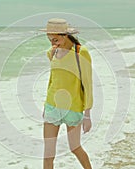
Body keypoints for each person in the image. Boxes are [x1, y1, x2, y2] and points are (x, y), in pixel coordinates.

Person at [40, 18, 93, 169]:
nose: (52, 42)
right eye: (49, 39)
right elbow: (52, 79)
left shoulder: (80, 52)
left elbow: (88, 84)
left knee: (75, 148)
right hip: (52, 107)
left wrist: (87, 114)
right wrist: (46, 105)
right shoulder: (52, 52)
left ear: (65, 35)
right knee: (48, 154)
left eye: (55, 39)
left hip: (73, 108)